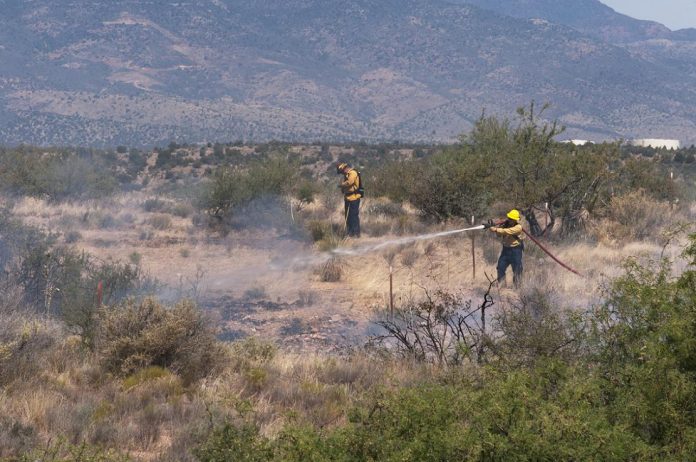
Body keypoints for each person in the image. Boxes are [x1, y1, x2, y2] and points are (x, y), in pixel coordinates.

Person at [489, 209, 524, 288]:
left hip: (516, 251)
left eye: (512, 219)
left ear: (515, 220)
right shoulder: (505, 225)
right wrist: (495, 227)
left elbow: (507, 231)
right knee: (500, 267)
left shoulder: (518, 227)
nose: (510, 220)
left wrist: (495, 229)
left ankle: (517, 288)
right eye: (509, 218)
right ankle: (502, 285)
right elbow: (499, 235)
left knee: (517, 270)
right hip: (506, 250)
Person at [337, 162, 361, 238]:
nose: (341, 173)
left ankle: (356, 234)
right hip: (348, 198)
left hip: (354, 198)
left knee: (353, 216)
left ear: (344, 168)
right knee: (348, 217)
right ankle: (350, 233)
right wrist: (343, 189)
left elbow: (349, 182)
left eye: (341, 171)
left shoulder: (353, 173)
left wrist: (341, 185)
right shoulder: (346, 175)